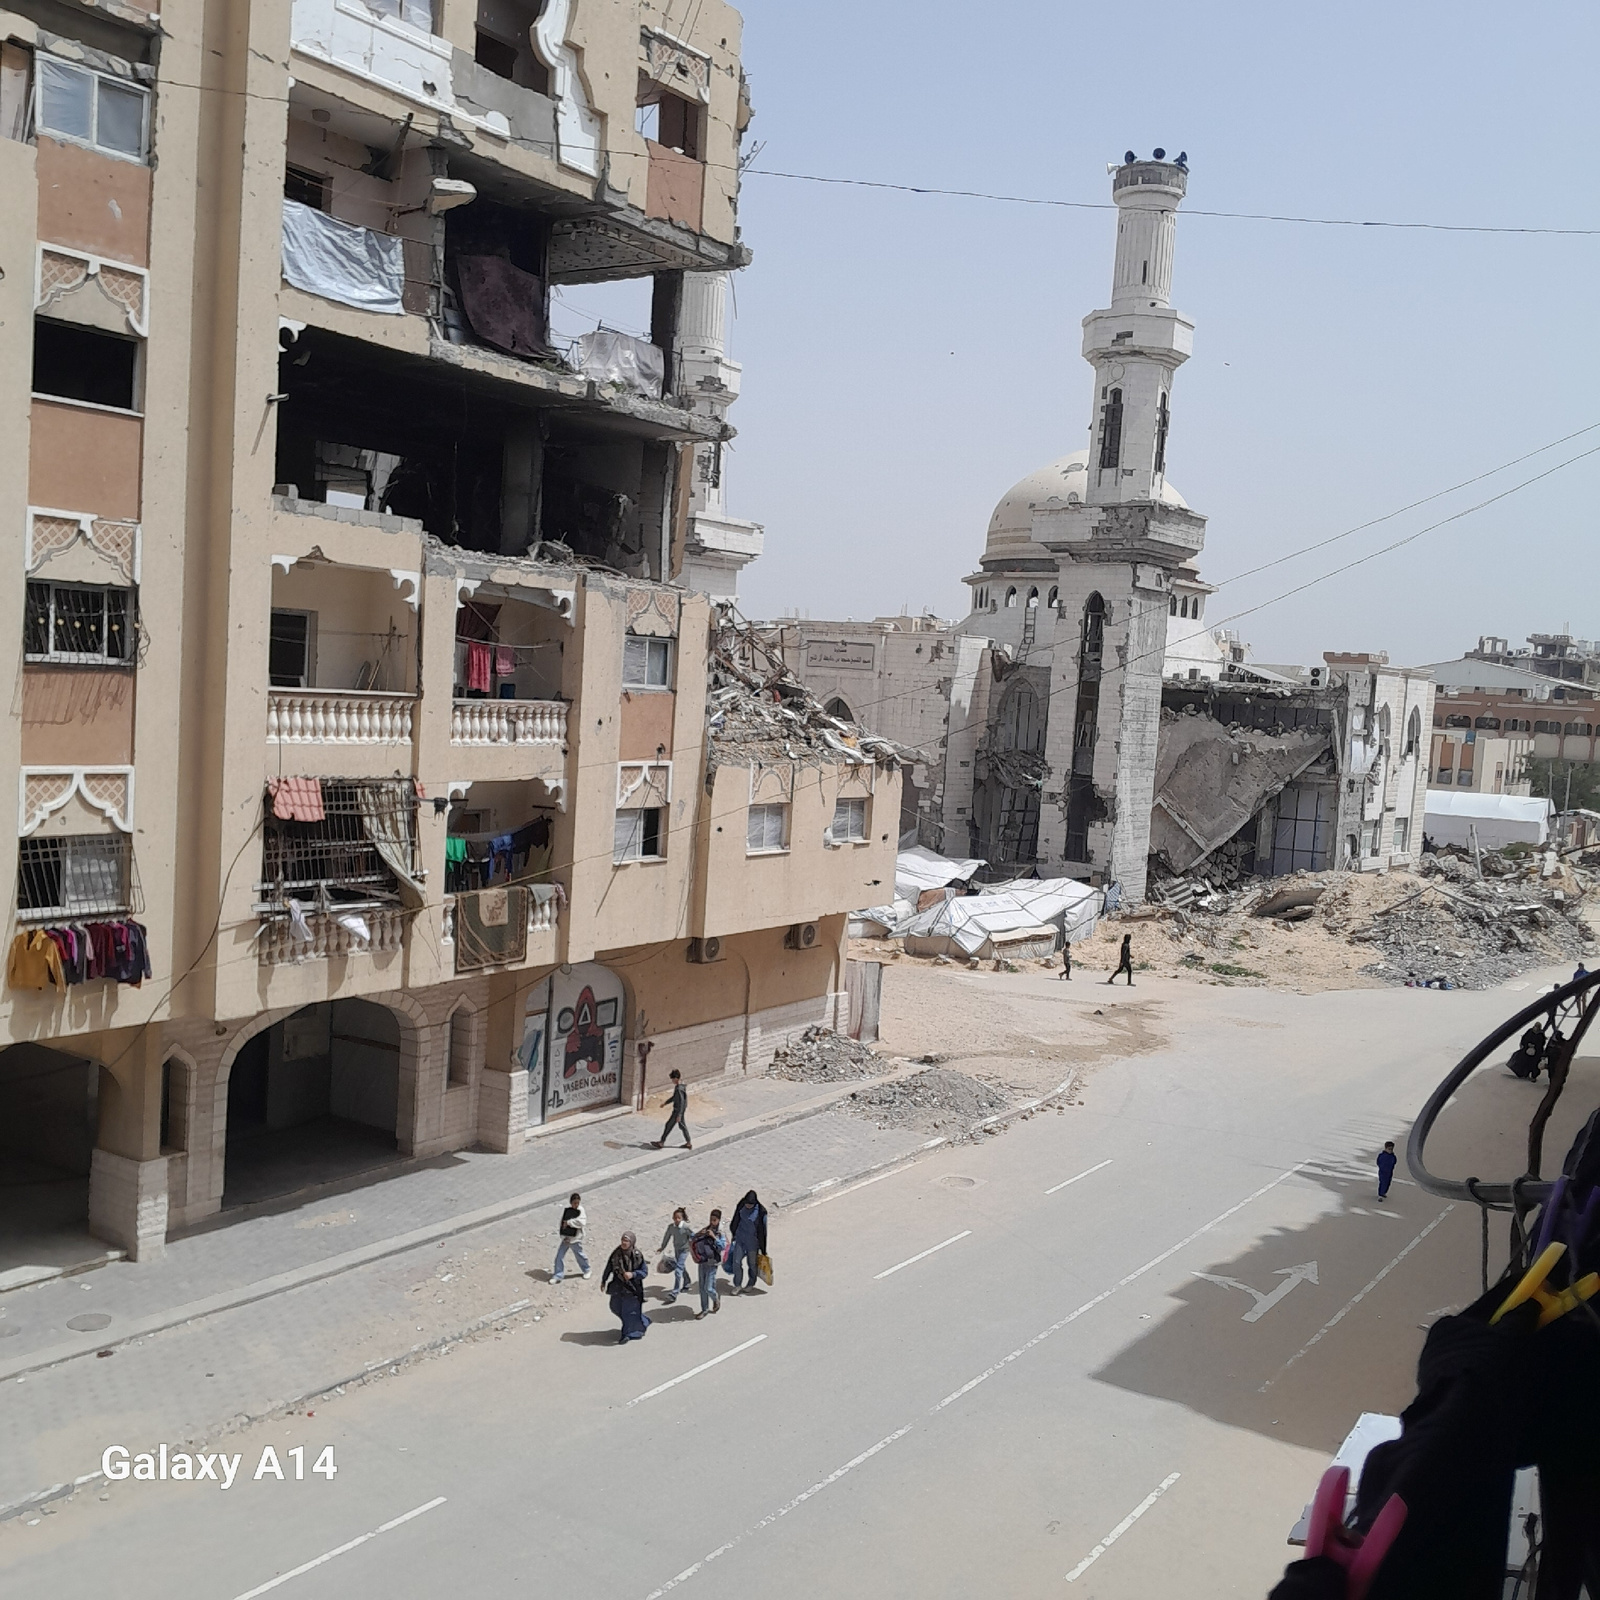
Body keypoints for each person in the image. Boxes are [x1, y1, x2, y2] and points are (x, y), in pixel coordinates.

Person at [601, 1231, 650, 1343]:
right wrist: (603, 1280)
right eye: (623, 1240)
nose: (624, 1243)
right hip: (618, 1287)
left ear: (631, 1242)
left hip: (632, 1289)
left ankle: (627, 1334)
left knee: (628, 1312)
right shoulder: (616, 1253)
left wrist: (633, 1274)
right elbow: (609, 1267)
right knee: (615, 1307)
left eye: (626, 1241)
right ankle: (642, 1320)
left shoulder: (637, 1255)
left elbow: (644, 1272)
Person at [726, 1189, 768, 1293]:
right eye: (747, 1204)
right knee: (736, 1262)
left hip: (752, 1242)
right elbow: (735, 1219)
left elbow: (763, 1231)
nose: (748, 1206)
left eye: (750, 1205)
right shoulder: (741, 1205)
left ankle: (751, 1283)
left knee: (752, 1264)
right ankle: (737, 1285)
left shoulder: (761, 1212)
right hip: (740, 1238)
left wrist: (763, 1248)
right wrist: (733, 1233)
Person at [690, 1209, 725, 1319]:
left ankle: (715, 1299)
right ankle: (704, 1309)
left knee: (708, 1288)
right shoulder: (706, 1229)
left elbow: (722, 1246)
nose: (712, 1222)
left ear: (718, 1220)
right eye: (711, 1219)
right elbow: (694, 1237)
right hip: (703, 1261)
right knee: (702, 1287)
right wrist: (699, 1234)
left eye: (714, 1220)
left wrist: (714, 1237)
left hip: (712, 1263)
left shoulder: (720, 1233)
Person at [552, 1191, 590, 1282]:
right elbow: (562, 1223)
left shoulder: (581, 1211)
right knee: (559, 1256)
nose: (576, 1205)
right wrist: (563, 1236)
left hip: (576, 1239)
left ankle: (587, 1270)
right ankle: (558, 1275)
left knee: (579, 1255)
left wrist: (569, 1222)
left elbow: (581, 1222)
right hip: (566, 1238)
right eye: (574, 1203)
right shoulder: (568, 1211)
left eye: (577, 1203)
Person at [658, 1206, 694, 1302]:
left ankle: (675, 1292)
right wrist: (662, 1247)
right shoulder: (671, 1227)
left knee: (678, 1270)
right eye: (675, 1218)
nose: (677, 1220)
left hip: (685, 1250)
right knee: (681, 1267)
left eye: (679, 1218)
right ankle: (687, 1282)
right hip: (677, 1249)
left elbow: (693, 1236)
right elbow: (667, 1237)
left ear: (682, 1218)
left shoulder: (686, 1227)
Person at [651, 1068, 692, 1150]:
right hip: (680, 1111)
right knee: (682, 1126)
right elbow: (675, 1098)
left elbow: (681, 1102)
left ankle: (661, 1142)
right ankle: (688, 1143)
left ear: (676, 1078)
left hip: (677, 1111)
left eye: (673, 1079)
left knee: (669, 1125)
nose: (672, 1081)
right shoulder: (681, 1086)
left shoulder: (679, 1089)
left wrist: (679, 1114)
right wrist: (666, 1103)